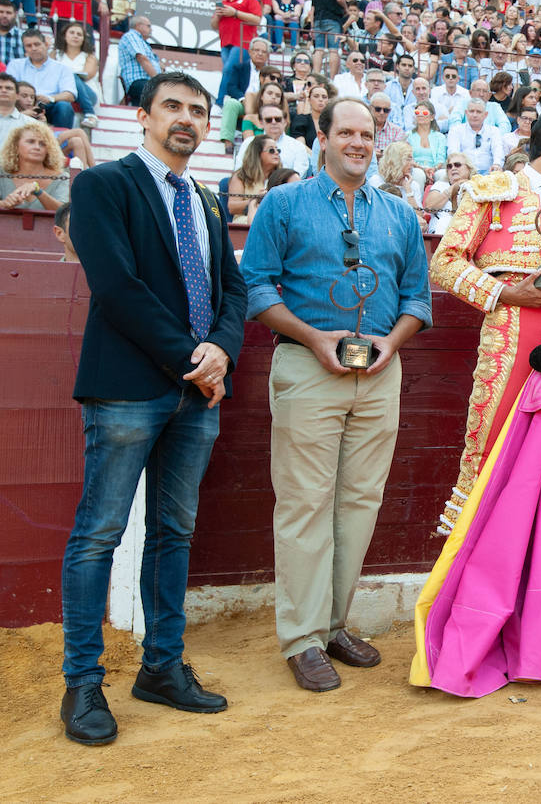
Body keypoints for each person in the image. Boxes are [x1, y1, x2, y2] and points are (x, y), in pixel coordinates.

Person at [59, 72, 247, 745]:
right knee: (98, 535)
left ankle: (161, 668)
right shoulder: (103, 185)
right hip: (130, 388)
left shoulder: (205, 198)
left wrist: (222, 350)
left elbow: (232, 289)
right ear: (143, 116)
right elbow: (116, 287)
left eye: (198, 110)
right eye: (173, 107)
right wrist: (194, 360)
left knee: (174, 533)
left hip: (195, 393)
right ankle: (82, 682)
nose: (187, 119)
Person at [239, 97, 433, 692]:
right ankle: (301, 638)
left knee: (359, 503)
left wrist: (390, 346)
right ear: (321, 137)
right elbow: (255, 284)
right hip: (307, 367)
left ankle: (332, 623)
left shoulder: (399, 215)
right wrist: (313, 337)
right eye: (345, 131)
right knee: (304, 503)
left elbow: (416, 299)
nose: (357, 141)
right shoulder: (283, 202)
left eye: (366, 133)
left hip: (379, 373)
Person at [428, 104, 541, 535]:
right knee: (490, 451)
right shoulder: (492, 192)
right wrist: (508, 293)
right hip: (509, 340)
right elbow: (445, 263)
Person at [214, 0, 262, 108]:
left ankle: (219, 102)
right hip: (225, 43)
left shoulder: (250, 0)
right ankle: (233, 99)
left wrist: (235, 13)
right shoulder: (223, 3)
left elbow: (257, 19)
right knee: (230, 72)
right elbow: (214, 25)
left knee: (228, 70)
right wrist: (218, 15)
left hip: (243, 42)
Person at [0, 121, 68, 210]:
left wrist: (38, 191)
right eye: (31, 142)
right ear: (15, 146)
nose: (37, 147)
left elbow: (63, 213)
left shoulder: (62, 178)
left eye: (42, 144)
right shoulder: (2, 173)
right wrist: (4, 204)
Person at [117, 15, 161, 106]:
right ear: (138, 25)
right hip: (138, 81)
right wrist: (158, 80)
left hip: (146, 82)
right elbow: (142, 58)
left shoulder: (143, 42)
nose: (151, 29)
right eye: (148, 26)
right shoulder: (131, 36)